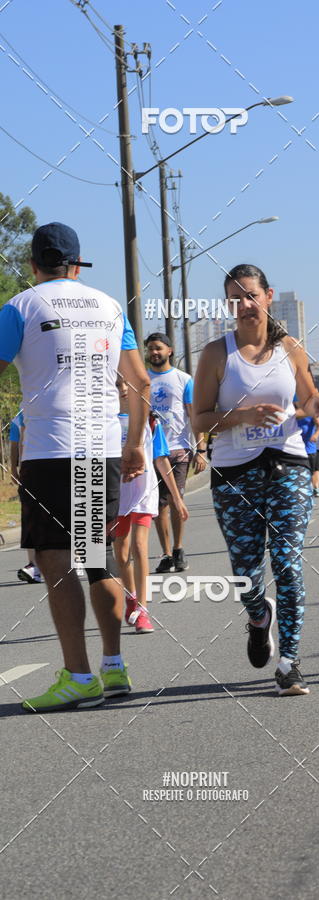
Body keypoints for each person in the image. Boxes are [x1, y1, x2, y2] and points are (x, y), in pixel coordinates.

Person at [0, 221, 150, 712]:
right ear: (76, 264)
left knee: (54, 560)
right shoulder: (110, 307)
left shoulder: (20, 306)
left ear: (33, 265)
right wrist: (133, 445)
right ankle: (114, 666)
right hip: (101, 446)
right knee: (97, 555)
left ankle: (78, 675)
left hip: (49, 448)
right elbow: (139, 382)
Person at [193, 263, 319, 696]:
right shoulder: (217, 354)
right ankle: (259, 618)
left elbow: (309, 397)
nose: (244, 305)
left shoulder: (289, 348)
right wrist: (242, 416)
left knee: (288, 564)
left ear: (268, 296)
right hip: (235, 472)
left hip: (288, 464)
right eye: (235, 299)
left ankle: (290, 662)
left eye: (251, 296)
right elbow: (199, 418)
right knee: (246, 574)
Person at [112, 378, 189, 634]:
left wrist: (177, 498)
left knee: (140, 546)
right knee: (122, 553)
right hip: (116, 492)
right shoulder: (105, 420)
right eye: (117, 385)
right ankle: (131, 596)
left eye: (127, 385)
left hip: (143, 491)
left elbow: (161, 459)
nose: (123, 389)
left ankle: (143, 610)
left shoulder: (149, 419)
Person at [145, 332, 206, 574]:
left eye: (158, 348)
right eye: (150, 349)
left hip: (178, 449)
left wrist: (200, 450)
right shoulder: (142, 379)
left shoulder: (183, 379)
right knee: (158, 506)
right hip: (150, 451)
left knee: (174, 499)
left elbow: (194, 416)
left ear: (169, 350)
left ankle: (179, 548)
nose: (154, 353)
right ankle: (166, 553)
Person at [9, 410, 42, 584]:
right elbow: (15, 444)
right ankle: (33, 566)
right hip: (29, 472)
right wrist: (14, 469)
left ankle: (75, 557)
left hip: (55, 468)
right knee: (30, 518)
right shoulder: (19, 416)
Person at [296, 408, 319, 496]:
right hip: (297, 450)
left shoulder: (310, 414)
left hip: (309, 449)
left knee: (312, 471)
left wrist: (316, 435)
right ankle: (307, 490)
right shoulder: (292, 415)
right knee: (300, 472)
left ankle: (315, 488)